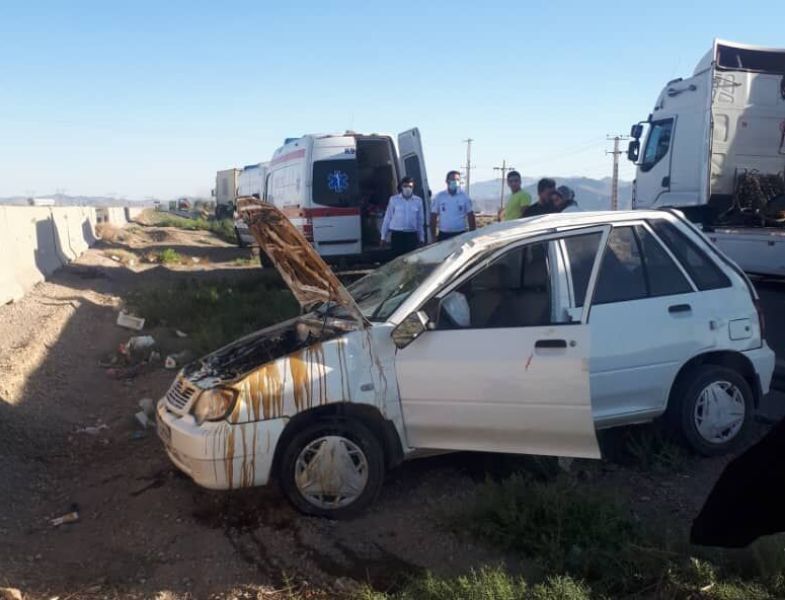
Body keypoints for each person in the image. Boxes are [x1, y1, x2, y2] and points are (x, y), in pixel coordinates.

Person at [380, 176, 425, 257]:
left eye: (410, 186)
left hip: (411, 235)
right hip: (397, 235)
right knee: (396, 260)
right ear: (401, 187)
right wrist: (383, 237)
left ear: (413, 187)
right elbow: (387, 218)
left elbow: (420, 221)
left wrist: (421, 238)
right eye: (405, 186)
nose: (407, 188)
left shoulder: (418, 201)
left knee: (411, 261)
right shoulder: (394, 200)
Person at [431, 170, 476, 241]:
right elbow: (433, 216)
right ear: (447, 181)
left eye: (457, 180)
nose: (455, 182)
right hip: (444, 234)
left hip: (460, 234)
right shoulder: (439, 197)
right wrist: (433, 235)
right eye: (452, 179)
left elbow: (470, 215)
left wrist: (472, 234)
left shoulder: (464, 197)